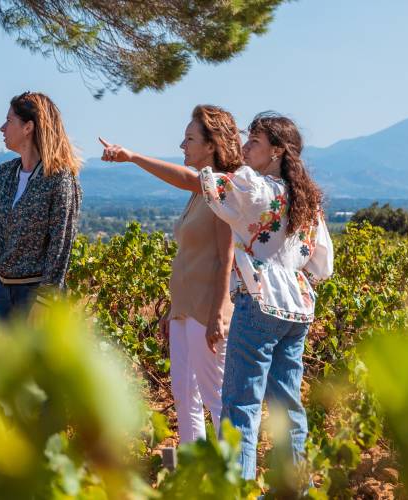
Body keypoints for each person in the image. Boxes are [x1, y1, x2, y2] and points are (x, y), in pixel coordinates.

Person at [101, 111, 333, 480]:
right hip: (298, 309)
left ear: (276, 152)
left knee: (239, 408)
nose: (245, 147)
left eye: (255, 142)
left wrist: (133, 157)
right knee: (288, 410)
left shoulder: (254, 187)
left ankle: (236, 489)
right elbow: (321, 264)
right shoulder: (307, 202)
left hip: (258, 302)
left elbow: (195, 181)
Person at [98, 105, 241, 443]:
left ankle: (233, 479)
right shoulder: (197, 194)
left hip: (208, 310)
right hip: (184, 309)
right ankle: (194, 475)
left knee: (216, 398)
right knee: (184, 396)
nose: (182, 146)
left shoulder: (222, 188)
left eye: (190, 139)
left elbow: (225, 258)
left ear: (211, 145)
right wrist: (172, 310)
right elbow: (191, 255)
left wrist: (132, 157)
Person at [0, 92, 83, 320]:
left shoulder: (59, 179)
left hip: (36, 295)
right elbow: (0, 232)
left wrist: (46, 298)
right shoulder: (5, 173)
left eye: (9, 121)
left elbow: (61, 243)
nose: (2, 128)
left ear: (28, 127)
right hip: (3, 292)